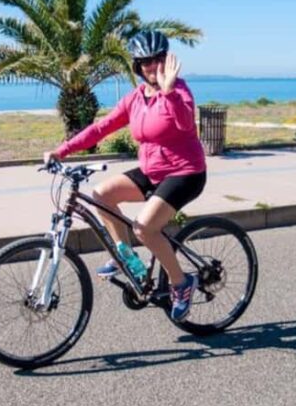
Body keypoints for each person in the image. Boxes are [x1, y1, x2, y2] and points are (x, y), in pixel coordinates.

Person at [44, 30, 207, 322]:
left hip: (186, 172)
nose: (153, 66)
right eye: (146, 62)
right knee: (101, 195)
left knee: (144, 228)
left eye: (158, 59)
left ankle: (182, 284)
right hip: (152, 171)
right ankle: (126, 258)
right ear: (138, 66)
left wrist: (168, 92)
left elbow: (185, 124)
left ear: (167, 60)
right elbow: (100, 128)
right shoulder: (136, 98)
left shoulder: (179, 91)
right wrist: (62, 150)